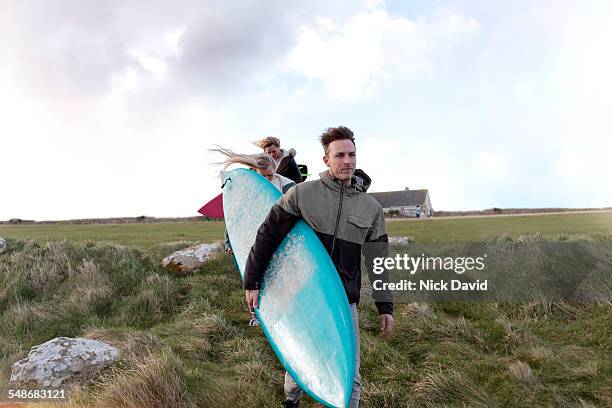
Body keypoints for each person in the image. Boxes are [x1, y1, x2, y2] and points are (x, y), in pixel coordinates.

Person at [244, 126, 393, 408]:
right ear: (326, 160)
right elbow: (268, 234)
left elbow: (379, 260)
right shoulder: (303, 194)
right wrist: (252, 280)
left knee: (349, 375)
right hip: (305, 294)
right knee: (301, 363)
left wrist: (385, 307)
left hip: (343, 300)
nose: (347, 161)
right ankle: (291, 399)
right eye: (339, 155)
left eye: (351, 154)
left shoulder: (370, 207)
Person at [211, 146, 296, 326]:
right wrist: (229, 242)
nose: (266, 180)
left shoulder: (288, 186)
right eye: (261, 176)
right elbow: (234, 217)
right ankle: (255, 315)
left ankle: (283, 313)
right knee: (253, 277)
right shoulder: (245, 188)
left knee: (278, 276)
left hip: (279, 238)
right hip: (253, 239)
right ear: (254, 173)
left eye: (269, 176)